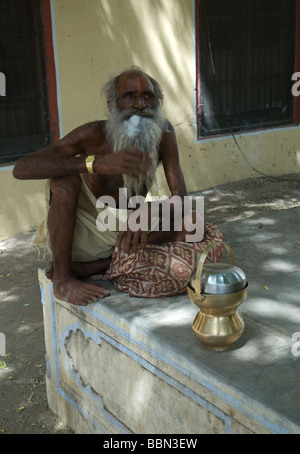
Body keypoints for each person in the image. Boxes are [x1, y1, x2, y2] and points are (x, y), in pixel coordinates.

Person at [13, 66, 223, 306]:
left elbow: (181, 198)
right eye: (129, 96)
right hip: (85, 232)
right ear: (112, 102)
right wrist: (95, 164)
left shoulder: (164, 133)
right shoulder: (93, 134)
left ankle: (97, 267)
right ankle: (63, 278)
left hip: (130, 229)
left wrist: (152, 210)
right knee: (64, 180)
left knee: (193, 223)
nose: (140, 104)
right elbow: (22, 168)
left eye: (147, 96)